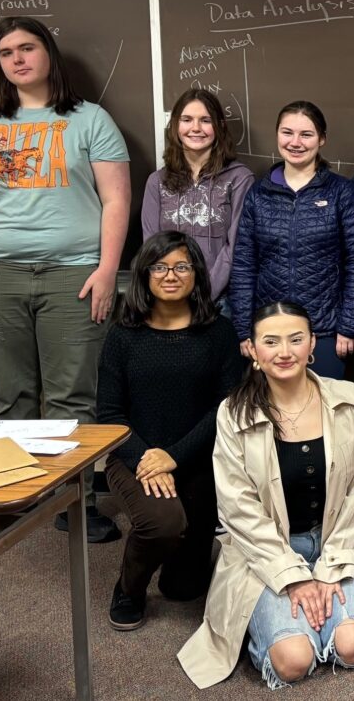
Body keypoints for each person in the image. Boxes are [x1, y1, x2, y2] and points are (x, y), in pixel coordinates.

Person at [0, 15, 129, 542]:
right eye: (6, 53)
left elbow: (116, 199)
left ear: (48, 53)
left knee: (74, 396)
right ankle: (14, 495)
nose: (18, 59)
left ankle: (77, 501)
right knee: (12, 396)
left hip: (74, 275)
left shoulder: (91, 119)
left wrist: (106, 269)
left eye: (27, 48)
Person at [179, 302, 354, 689]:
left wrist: (328, 570)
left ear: (312, 346)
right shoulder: (233, 414)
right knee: (293, 661)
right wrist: (292, 578)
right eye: (271, 342)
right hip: (264, 554)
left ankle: (317, 617)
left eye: (295, 339)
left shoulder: (351, 400)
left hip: (336, 543)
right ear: (253, 351)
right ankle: (269, 634)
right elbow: (238, 509)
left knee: (353, 646)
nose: (284, 352)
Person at [97, 231, 246, 631]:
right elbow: (109, 414)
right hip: (135, 458)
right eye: (159, 267)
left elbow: (227, 408)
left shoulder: (219, 333)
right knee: (163, 523)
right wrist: (149, 457)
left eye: (182, 266)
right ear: (144, 274)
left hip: (198, 460)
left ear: (197, 273)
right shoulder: (123, 336)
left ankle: (183, 556)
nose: (170, 275)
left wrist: (175, 455)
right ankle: (128, 587)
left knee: (184, 588)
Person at [229, 101, 354, 380]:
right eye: (287, 133)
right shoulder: (258, 195)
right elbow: (244, 266)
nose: (296, 142)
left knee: (324, 414)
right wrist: (245, 329)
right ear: (277, 135)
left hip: (326, 331)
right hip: (270, 330)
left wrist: (351, 325)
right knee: (274, 415)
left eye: (306, 134)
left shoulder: (342, 193)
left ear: (322, 139)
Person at [141, 89, 255, 312]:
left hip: (222, 302)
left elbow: (236, 246)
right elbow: (152, 247)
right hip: (169, 301)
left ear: (220, 127)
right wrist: (176, 293)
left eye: (205, 120)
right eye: (187, 120)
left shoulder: (239, 179)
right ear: (175, 125)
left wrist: (204, 295)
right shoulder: (157, 182)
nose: (195, 128)